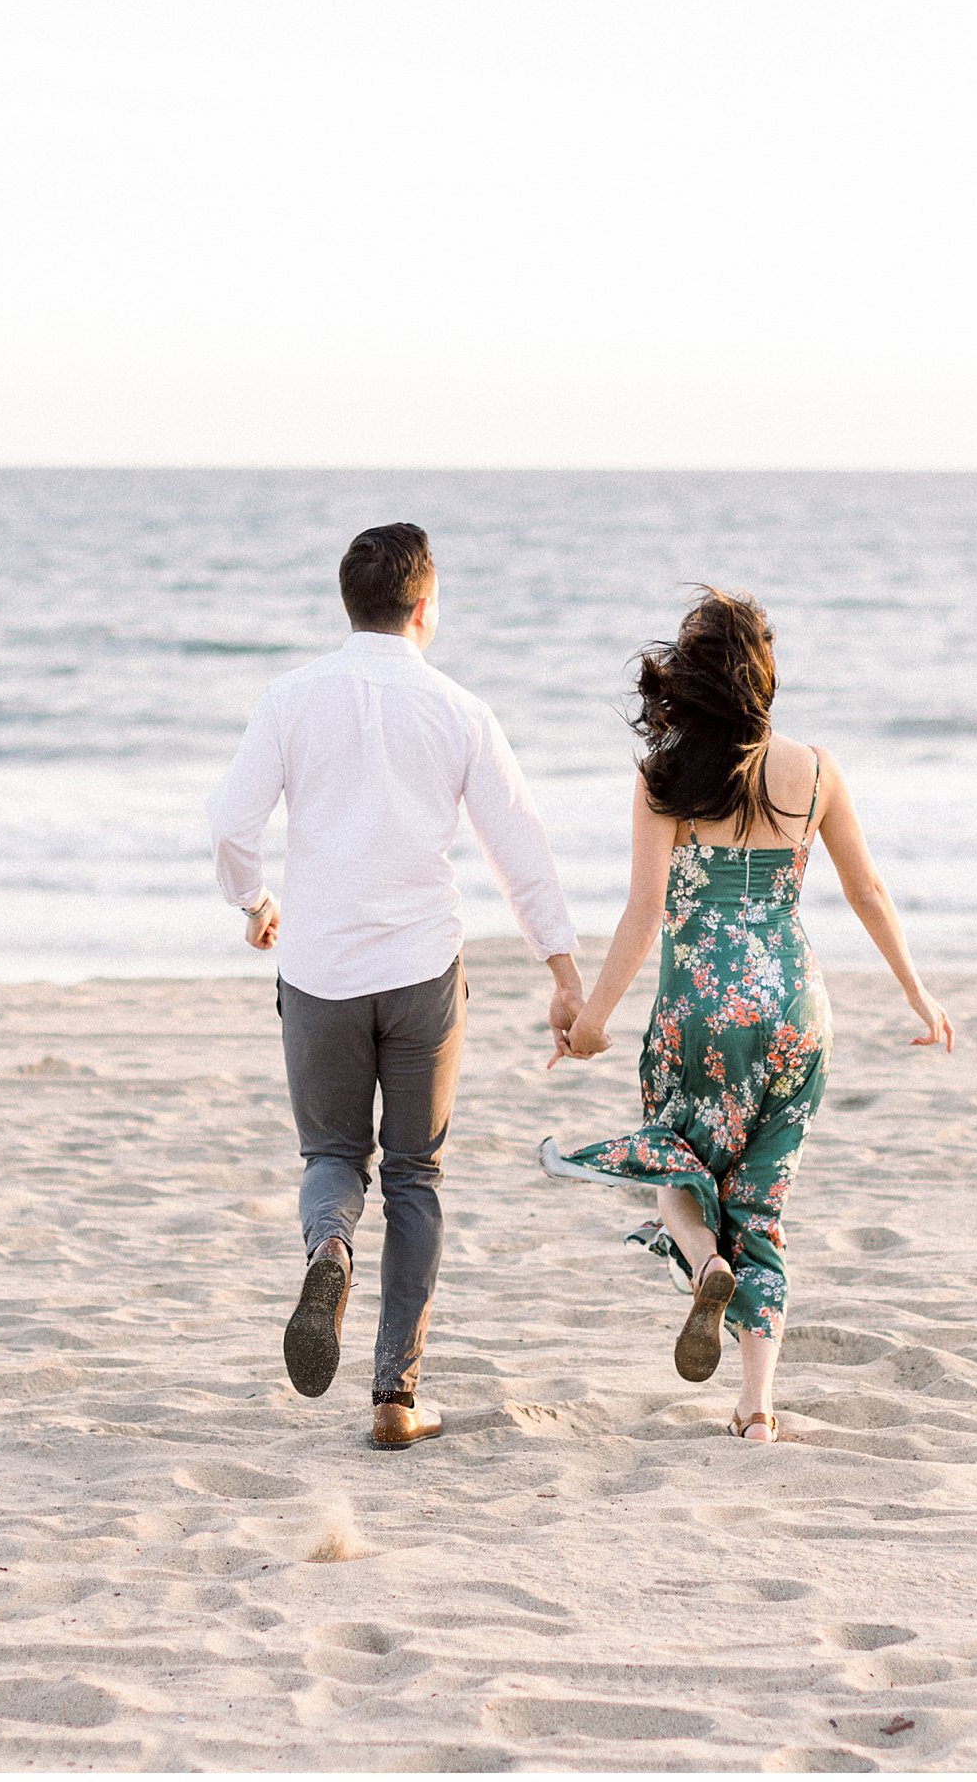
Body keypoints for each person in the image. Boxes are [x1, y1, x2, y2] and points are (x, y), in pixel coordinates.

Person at [542, 587, 952, 1443]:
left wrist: (590, 1023)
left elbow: (644, 910)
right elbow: (866, 892)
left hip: (700, 1005)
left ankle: (705, 1267)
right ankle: (755, 1408)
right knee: (761, 1199)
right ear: (765, 677)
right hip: (797, 1008)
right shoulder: (816, 770)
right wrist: (918, 992)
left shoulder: (664, 779)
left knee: (677, 1168)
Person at [208, 523, 583, 1450]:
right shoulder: (459, 709)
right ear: (424, 606)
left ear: (350, 605)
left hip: (321, 970)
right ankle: (394, 1398)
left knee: (332, 1160)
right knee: (415, 1177)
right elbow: (518, 846)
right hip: (421, 973)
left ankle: (328, 1249)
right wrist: (563, 968)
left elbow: (229, 824)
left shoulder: (291, 698)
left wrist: (255, 901)